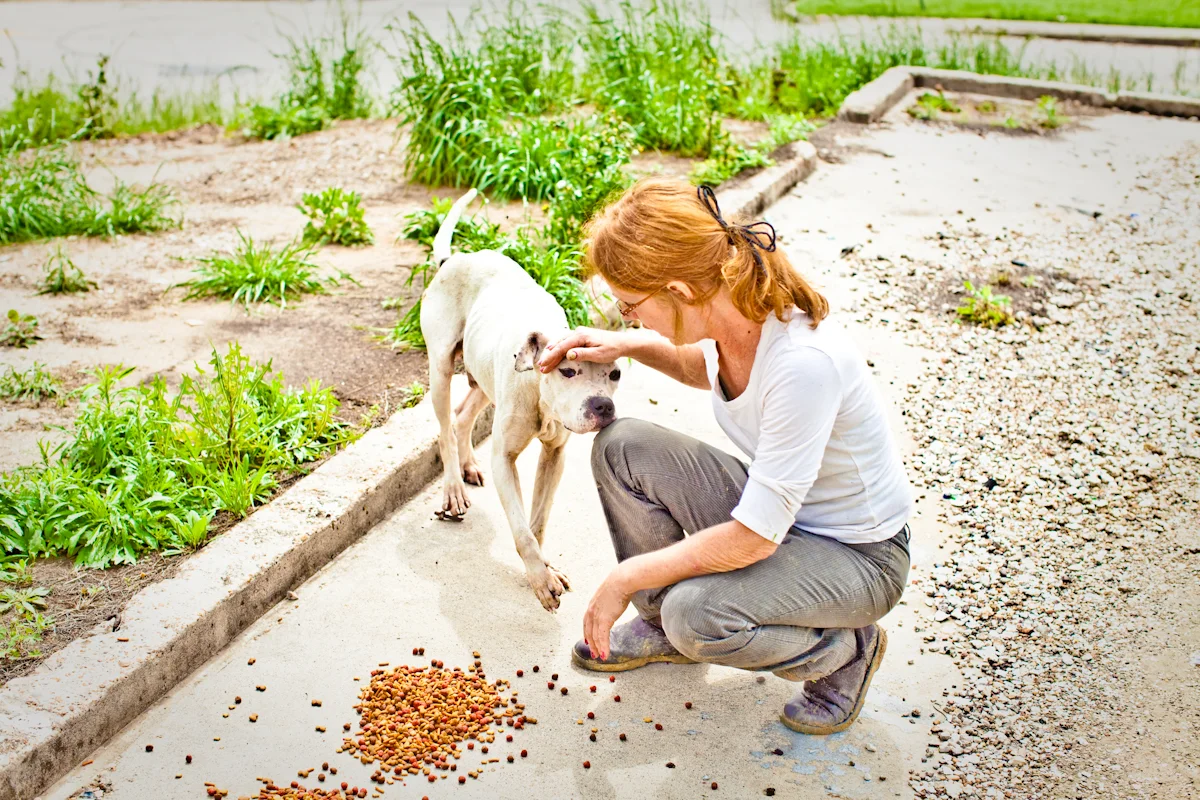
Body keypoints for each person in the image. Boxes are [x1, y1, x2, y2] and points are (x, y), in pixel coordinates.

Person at [535, 178, 914, 734]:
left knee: (696, 615)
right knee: (622, 447)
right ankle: (661, 626)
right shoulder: (731, 312)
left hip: (859, 558)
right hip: (786, 522)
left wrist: (624, 578)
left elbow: (755, 537)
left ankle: (844, 652)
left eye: (631, 306)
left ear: (679, 290)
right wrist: (623, 344)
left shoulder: (802, 362)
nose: (629, 317)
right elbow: (702, 369)